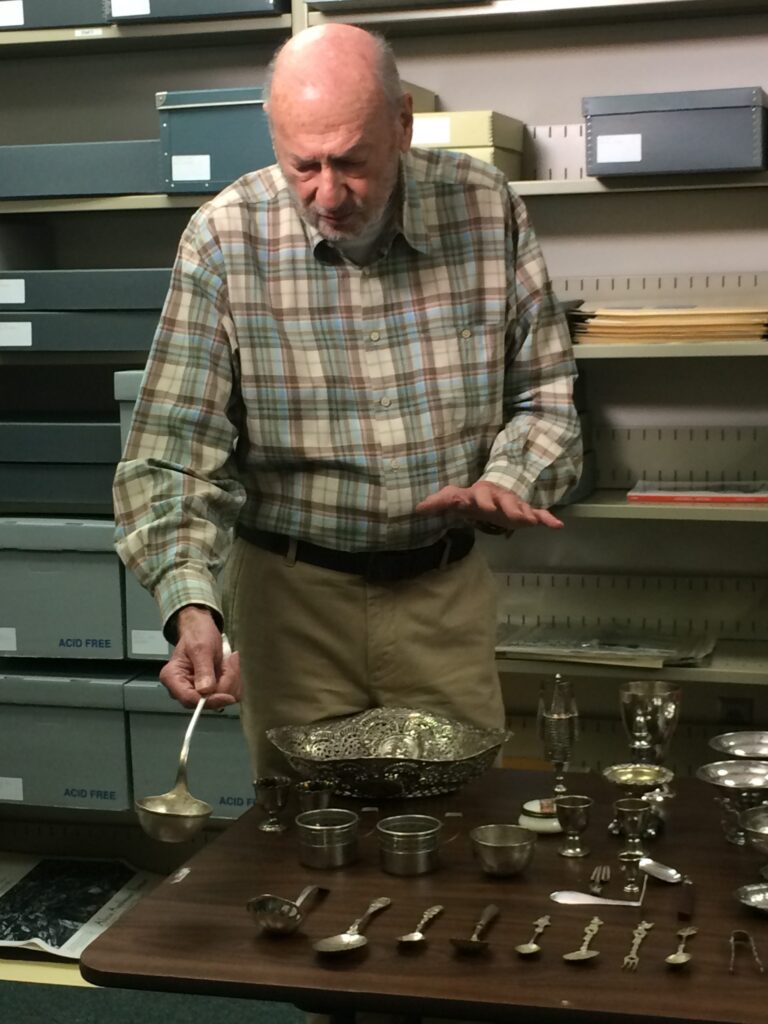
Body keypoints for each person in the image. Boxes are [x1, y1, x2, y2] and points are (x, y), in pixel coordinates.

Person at [113, 22, 583, 780]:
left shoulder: (486, 207)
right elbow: (171, 455)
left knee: (459, 836)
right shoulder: (224, 238)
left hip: (441, 596)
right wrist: (191, 604)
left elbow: (546, 397)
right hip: (291, 603)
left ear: (401, 124)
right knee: (303, 846)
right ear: (272, 133)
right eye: (304, 165)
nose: (328, 194)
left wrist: (509, 482)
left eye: (353, 162)